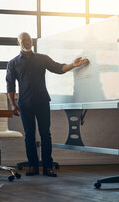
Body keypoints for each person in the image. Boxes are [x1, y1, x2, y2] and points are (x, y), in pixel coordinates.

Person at [6, 32, 90, 177]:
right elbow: (10, 86)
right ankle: (32, 166)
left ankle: (48, 167)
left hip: (42, 101)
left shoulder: (42, 58)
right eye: (23, 40)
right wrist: (13, 104)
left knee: (46, 134)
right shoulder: (13, 63)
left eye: (29, 39)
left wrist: (73, 65)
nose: (27, 41)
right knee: (29, 135)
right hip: (25, 104)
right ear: (18, 43)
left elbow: (58, 68)